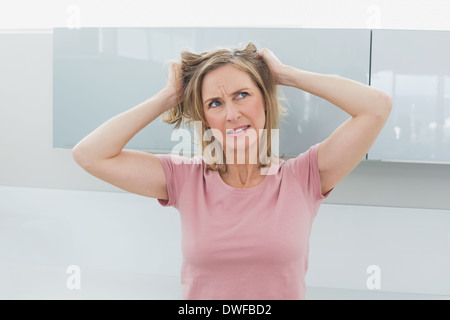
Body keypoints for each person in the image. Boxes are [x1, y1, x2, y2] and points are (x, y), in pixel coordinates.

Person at [72, 42, 392, 300]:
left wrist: (286, 75)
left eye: (242, 95)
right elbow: (90, 154)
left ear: (264, 101)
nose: (232, 114)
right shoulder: (185, 178)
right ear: (205, 118)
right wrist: (170, 96)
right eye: (215, 103)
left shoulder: (304, 176)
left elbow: (376, 107)